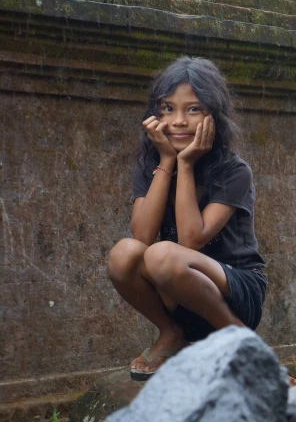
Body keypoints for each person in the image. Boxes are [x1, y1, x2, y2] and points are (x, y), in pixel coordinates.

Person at [107, 57, 267, 381]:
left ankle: (241, 344)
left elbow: (191, 241)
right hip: (178, 297)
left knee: (163, 254)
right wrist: (168, 160)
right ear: (155, 114)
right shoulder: (149, 165)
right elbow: (141, 235)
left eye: (193, 109)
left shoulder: (233, 171)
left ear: (213, 115)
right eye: (168, 108)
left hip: (234, 293)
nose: (178, 121)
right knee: (123, 253)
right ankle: (172, 333)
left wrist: (188, 165)